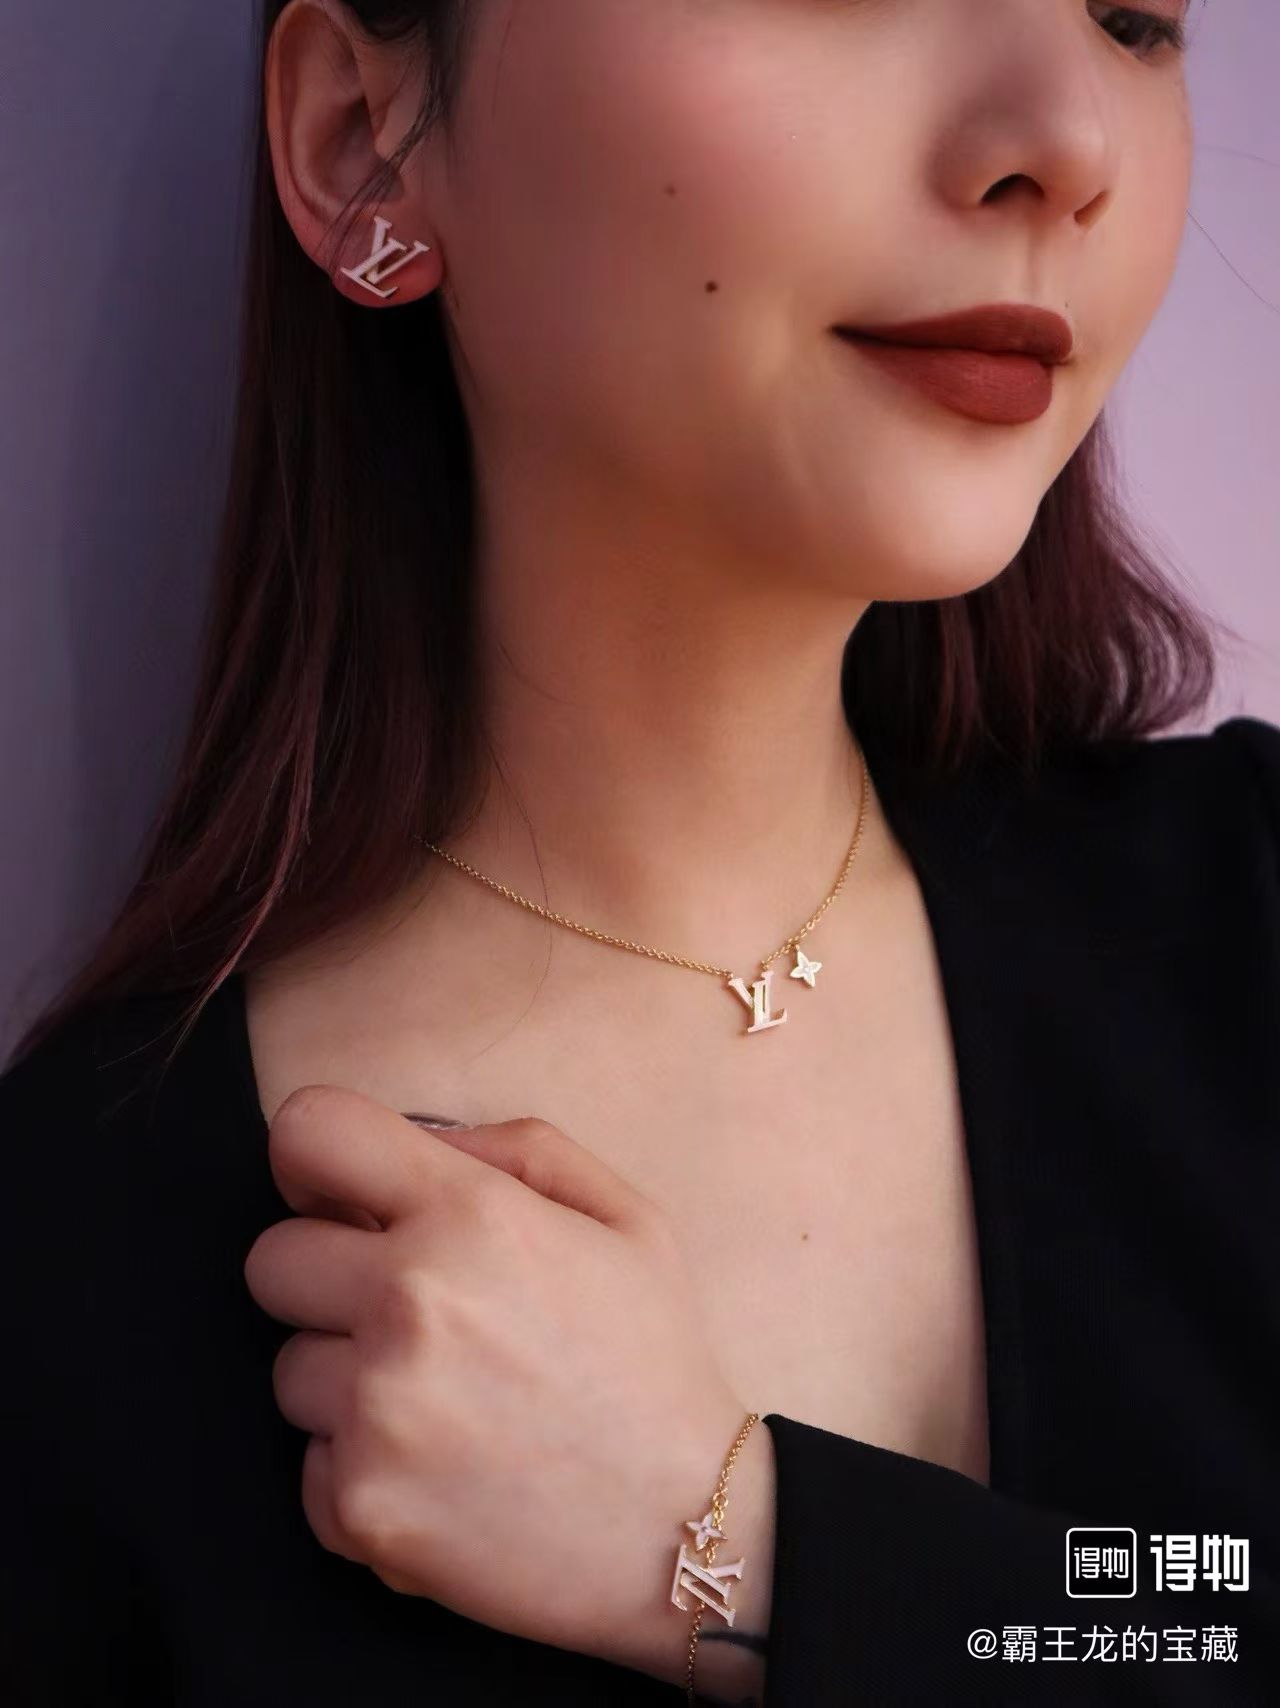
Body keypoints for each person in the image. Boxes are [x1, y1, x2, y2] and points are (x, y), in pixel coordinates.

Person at [3, 1, 1277, 1703]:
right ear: (363, 137)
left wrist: (742, 1540)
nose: (1070, 140)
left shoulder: (1255, 924)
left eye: (1134, 18)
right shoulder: (72, 1282)